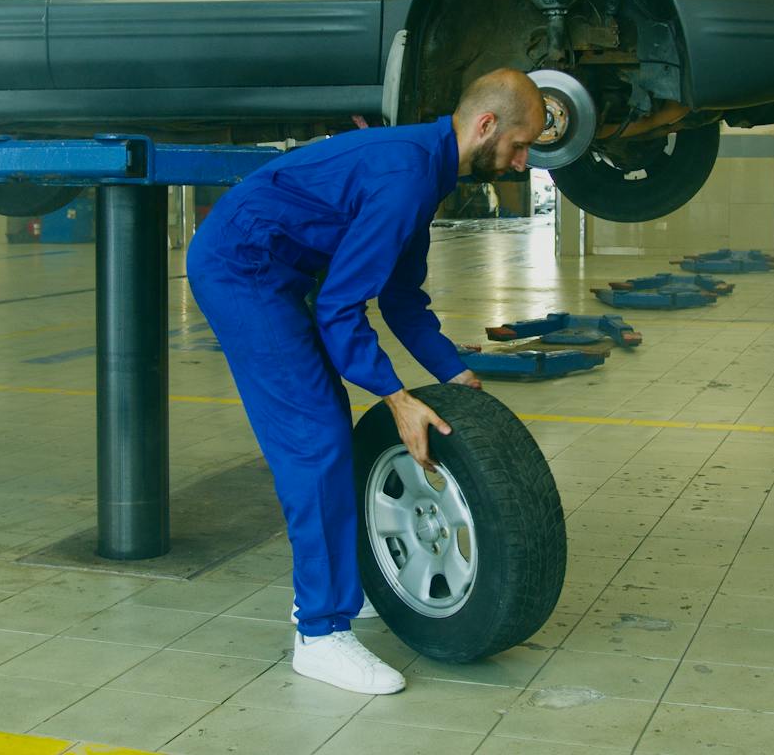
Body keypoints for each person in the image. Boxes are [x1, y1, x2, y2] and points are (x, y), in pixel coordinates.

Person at [186, 69, 546, 695]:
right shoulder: (406, 176)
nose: (519, 163)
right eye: (519, 145)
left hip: (279, 269)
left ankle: (345, 581)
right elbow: (340, 308)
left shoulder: (428, 171)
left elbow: (402, 297)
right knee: (317, 438)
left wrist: (455, 375)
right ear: (486, 125)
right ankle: (319, 634)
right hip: (241, 268)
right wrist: (395, 397)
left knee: (330, 431)